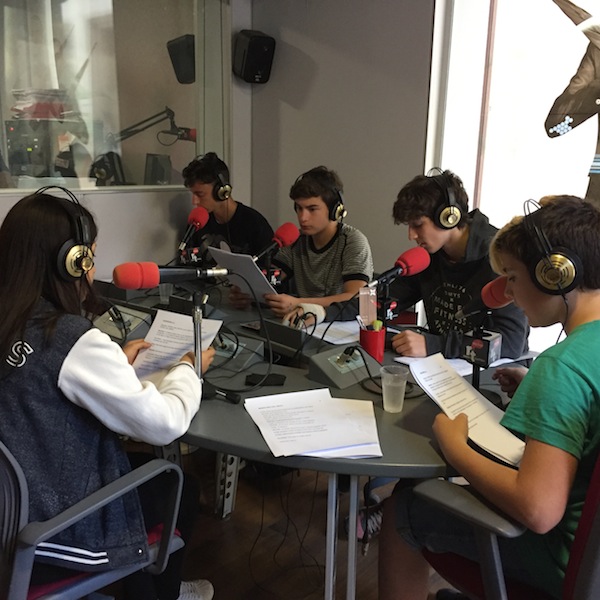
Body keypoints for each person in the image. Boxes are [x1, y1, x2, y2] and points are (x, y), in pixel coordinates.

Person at [378, 194, 600, 600]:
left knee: (400, 509)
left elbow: (538, 509)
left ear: (554, 276)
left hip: (566, 563)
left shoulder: (561, 367)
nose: (507, 292)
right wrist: (534, 386)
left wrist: (456, 447)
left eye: (512, 276)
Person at [0, 190, 216, 600]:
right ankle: (163, 593)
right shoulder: (69, 338)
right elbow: (165, 424)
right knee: (177, 485)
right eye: (91, 258)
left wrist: (109, 363)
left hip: (11, 514)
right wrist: (189, 368)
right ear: (71, 263)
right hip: (50, 534)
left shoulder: (11, 319)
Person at [385, 169, 529, 359]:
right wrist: (352, 307)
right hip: (441, 366)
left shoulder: (500, 258)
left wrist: (436, 345)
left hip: (493, 371)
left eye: (418, 225)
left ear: (448, 217)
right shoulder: (431, 255)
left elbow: (511, 342)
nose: (411, 235)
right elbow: (389, 298)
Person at [263, 165, 374, 319]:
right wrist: (250, 293)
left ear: (335, 210)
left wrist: (298, 303)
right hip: (304, 321)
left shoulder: (353, 241)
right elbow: (270, 280)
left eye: (312, 209)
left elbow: (356, 298)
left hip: (340, 324)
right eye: (299, 208)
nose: (303, 218)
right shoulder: (296, 240)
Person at [181, 152, 274, 262]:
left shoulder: (255, 224)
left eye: (200, 194)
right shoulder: (197, 223)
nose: (194, 201)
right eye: (193, 194)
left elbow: (269, 267)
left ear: (222, 191)